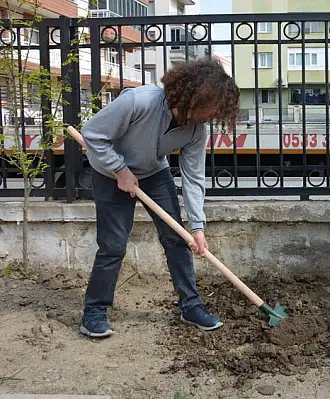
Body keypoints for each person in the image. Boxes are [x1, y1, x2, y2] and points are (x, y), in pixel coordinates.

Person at [79, 57, 241, 338]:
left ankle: (190, 306)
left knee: (178, 239)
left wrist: (198, 227)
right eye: (209, 109)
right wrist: (119, 169)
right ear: (194, 95)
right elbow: (92, 134)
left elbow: (193, 178)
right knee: (113, 245)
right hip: (109, 172)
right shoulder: (139, 102)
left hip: (154, 171)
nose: (210, 116)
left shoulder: (195, 130)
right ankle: (94, 311)